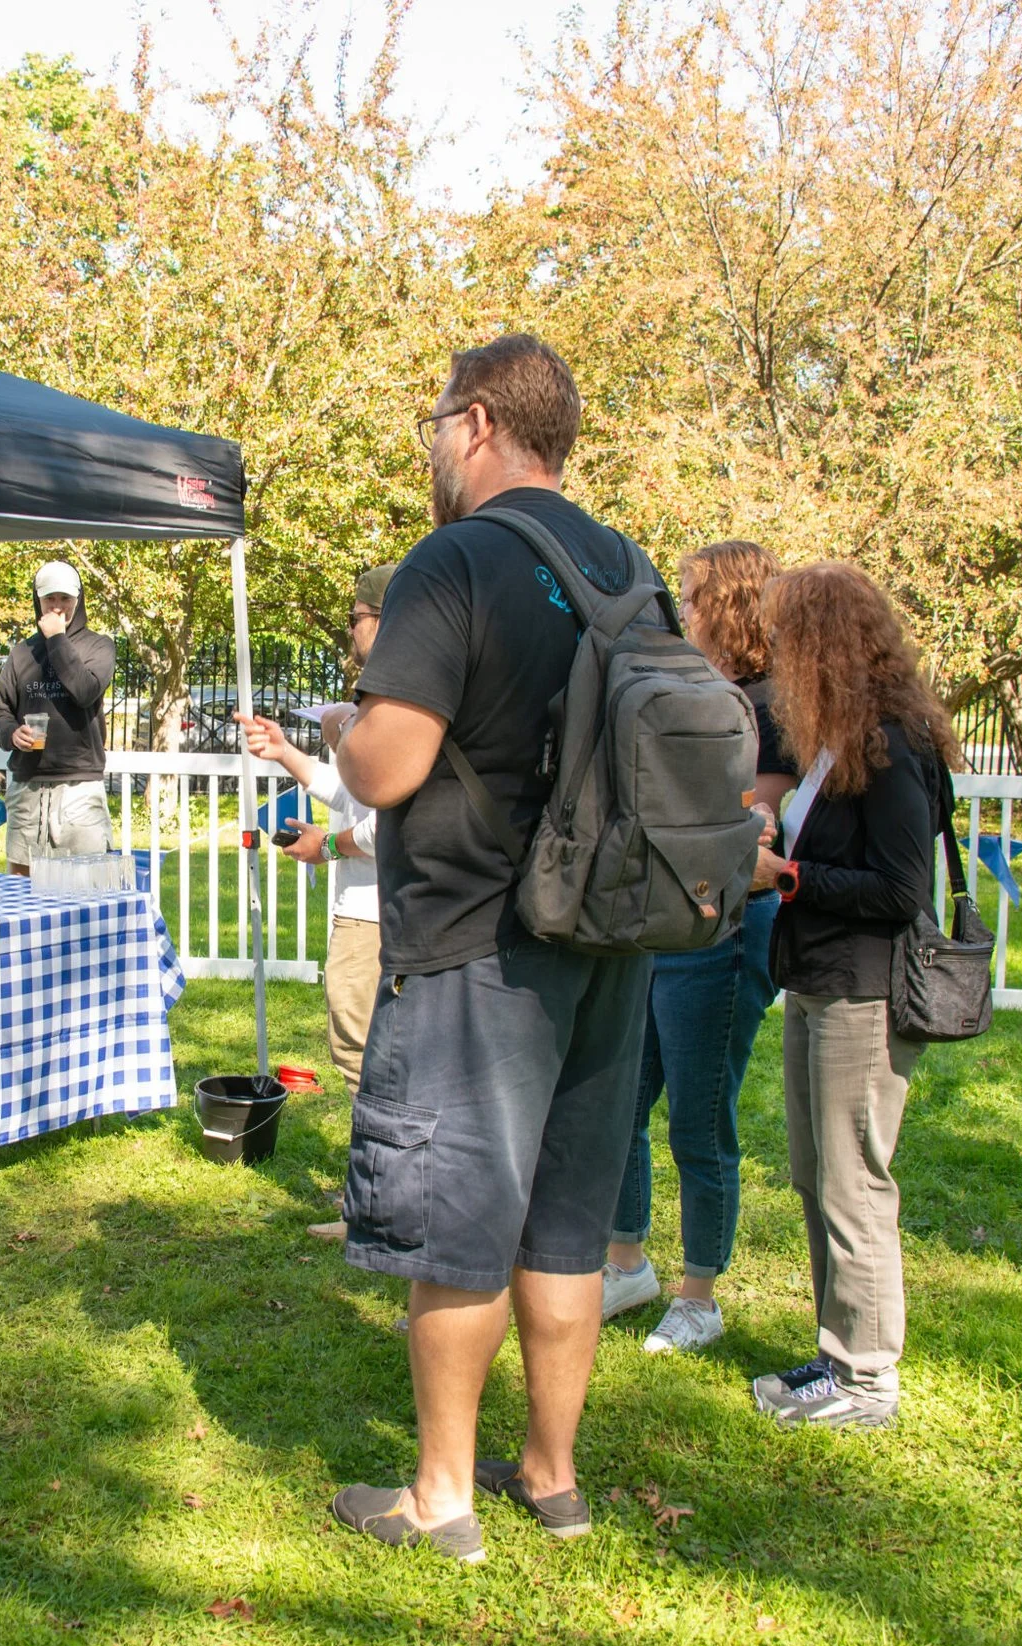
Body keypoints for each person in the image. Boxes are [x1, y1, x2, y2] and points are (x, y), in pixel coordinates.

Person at [325, 335, 650, 1563]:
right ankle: (554, 1479)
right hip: (612, 932)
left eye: (433, 425)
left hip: (477, 939)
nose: (430, 450)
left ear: (474, 424)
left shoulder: (452, 560)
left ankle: (441, 1496)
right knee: (565, 1222)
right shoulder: (627, 565)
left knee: (458, 1220)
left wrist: (351, 729)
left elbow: (393, 762)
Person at [750, 561, 961, 1431]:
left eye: (788, 637)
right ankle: (836, 1353)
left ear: (824, 644)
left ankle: (869, 1379)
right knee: (816, 1176)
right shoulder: (837, 739)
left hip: (865, 992)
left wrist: (788, 878)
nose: (774, 654)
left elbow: (901, 889)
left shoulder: (892, 745)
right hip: (816, 979)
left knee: (854, 1185)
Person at [604, 541, 799, 1352]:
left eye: (690, 596)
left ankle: (700, 1295)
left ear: (729, 602)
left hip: (723, 929)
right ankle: (626, 1262)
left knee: (697, 1115)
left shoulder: (773, 705)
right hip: (668, 920)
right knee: (620, 1099)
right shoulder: (696, 687)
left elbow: (756, 821)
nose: (682, 610)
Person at [242, 560, 397, 1102]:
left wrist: (327, 845)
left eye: (355, 616)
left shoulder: (393, 702)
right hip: (376, 910)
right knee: (371, 1053)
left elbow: (390, 826)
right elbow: (354, 794)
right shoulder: (391, 693)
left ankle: (380, 1184)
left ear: (379, 620)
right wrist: (285, 751)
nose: (350, 628)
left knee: (361, 1053)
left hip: (376, 914)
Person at [0, 561, 116, 875]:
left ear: (79, 599)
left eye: (65, 599)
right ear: (38, 600)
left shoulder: (99, 646)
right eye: (50, 599)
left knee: (85, 887)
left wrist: (57, 639)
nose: (57, 607)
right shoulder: (22, 653)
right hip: (28, 784)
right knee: (21, 887)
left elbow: (84, 691)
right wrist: (10, 734)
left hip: (79, 785)